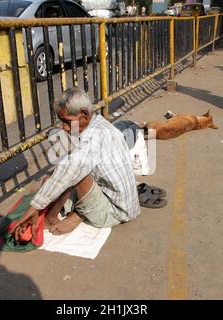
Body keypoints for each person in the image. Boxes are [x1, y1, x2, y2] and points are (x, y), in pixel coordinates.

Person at [10, 88, 140, 239]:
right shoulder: (100, 123)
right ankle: (75, 213)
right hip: (124, 202)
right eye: (62, 121)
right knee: (51, 180)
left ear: (84, 114)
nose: (64, 127)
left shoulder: (93, 137)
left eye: (67, 121)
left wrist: (35, 207)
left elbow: (72, 168)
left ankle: (53, 218)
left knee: (72, 173)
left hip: (116, 212)